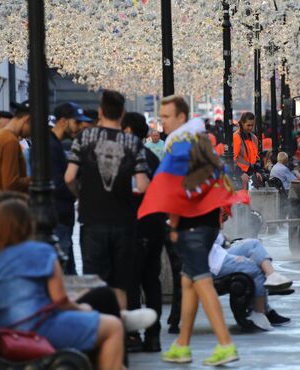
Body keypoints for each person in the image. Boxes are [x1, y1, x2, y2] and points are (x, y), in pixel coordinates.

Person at [138, 95, 249, 366]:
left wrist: (173, 224)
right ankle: (182, 345)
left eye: (166, 116)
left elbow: (172, 191)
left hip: (192, 226)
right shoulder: (199, 142)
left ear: (181, 118)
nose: (161, 121)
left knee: (201, 282)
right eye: (161, 116)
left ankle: (225, 345)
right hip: (207, 222)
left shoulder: (179, 147)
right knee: (189, 282)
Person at [0, 198, 125, 370]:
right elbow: (61, 300)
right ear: (27, 224)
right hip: (39, 328)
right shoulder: (41, 251)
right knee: (113, 327)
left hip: (4, 331)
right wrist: (84, 309)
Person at [64, 90, 150, 311]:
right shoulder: (132, 143)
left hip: (92, 220)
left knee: (95, 283)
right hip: (124, 221)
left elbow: (69, 177)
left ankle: (101, 333)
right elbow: (143, 185)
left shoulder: (85, 138)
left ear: (101, 111)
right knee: (121, 284)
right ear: (122, 113)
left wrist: (81, 195)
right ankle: (120, 332)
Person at [122, 112, 166, 352]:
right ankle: (153, 335)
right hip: (155, 224)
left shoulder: (129, 156)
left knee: (131, 281)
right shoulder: (152, 156)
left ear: (128, 131)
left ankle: (133, 335)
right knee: (151, 281)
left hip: (136, 224)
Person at [209, 233, 292, 330]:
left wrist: (222, 238)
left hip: (215, 252)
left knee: (254, 244)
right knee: (254, 267)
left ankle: (272, 276)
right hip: (210, 262)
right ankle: (260, 312)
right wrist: (222, 238)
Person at [50, 102, 92, 275]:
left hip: (61, 215)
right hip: (57, 215)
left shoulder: (55, 144)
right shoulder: (51, 145)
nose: (79, 126)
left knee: (68, 268)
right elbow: (57, 184)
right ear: (63, 121)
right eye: (76, 122)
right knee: (64, 270)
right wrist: (77, 193)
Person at [0, 101, 30, 192]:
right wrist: (36, 179)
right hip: (6, 202)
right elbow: (11, 184)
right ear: (27, 120)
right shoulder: (10, 141)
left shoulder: (3, 137)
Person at [233, 112, 262, 189]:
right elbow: (233, 159)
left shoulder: (254, 138)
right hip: (240, 176)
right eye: (248, 125)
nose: (250, 128)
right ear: (242, 124)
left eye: (252, 125)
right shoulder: (236, 137)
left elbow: (256, 157)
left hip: (250, 174)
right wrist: (240, 173)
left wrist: (258, 171)